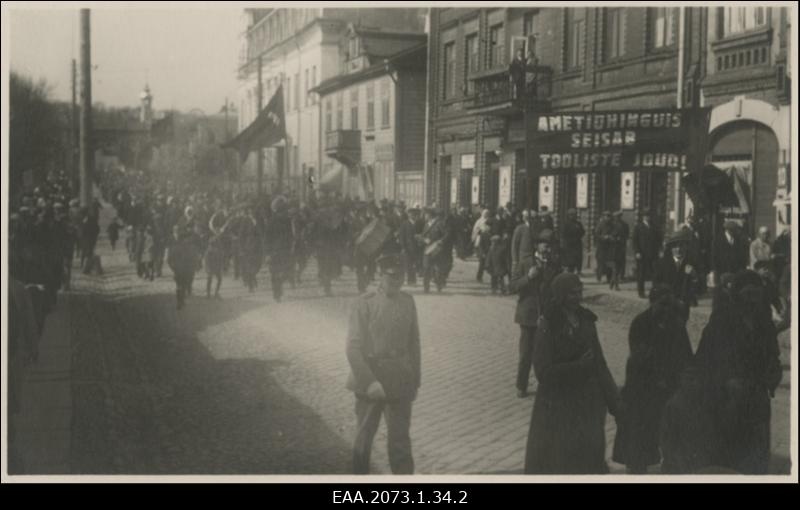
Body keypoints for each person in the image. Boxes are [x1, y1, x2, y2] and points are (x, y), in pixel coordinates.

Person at [524, 272, 622, 474]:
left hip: (586, 406)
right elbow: (543, 372)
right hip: (557, 408)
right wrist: (577, 366)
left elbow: (599, 364)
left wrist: (616, 403)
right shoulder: (548, 323)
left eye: (580, 292)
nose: (577, 298)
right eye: (571, 294)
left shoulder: (586, 320)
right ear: (560, 295)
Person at [693, 270, 782, 474]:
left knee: (756, 460)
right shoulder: (721, 321)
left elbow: (773, 357)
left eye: (757, 296)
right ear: (738, 295)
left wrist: (773, 375)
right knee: (729, 460)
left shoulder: (764, 322)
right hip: (727, 402)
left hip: (757, 401)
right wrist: (725, 382)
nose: (753, 302)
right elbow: (703, 361)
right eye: (748, 295)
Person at [346, 253, 421, 474]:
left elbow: (414, 343)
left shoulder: (408, 302)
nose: (397, 282)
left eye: (401, 277)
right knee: (364, 440)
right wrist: (370, 382)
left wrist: (415, 381)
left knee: (400, 442)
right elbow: (352, 348)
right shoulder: (364, 304)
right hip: (371, 377)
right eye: (392, 277)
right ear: (380, 275)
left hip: (399, 379)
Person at [612, 285, 693, 473]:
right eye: (662, 305)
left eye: (670, 305)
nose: (666, 310)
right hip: (643, 389)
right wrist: (659, 375)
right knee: (639, 438)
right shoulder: (640, 323)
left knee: (671, 438)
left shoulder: (676, 323)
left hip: (669, 389)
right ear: (652, 303)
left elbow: (686, 355)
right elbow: (640, 357)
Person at [509, 229, 562, 398]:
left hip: (547, 314)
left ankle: (546, 384)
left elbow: (558, 289)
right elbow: (513, 286)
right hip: (528, 314)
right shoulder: (526, 263)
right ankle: (521, 385)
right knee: (526, 354)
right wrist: (529, 277)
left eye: (551, 246)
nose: (548, 249)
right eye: (545, 245)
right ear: (537, 246)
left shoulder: (555, 265)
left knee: (547, 353)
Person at [652, 230, 700, 314]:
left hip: (683, 308)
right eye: (675, 246)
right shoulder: (662, 263)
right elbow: (656, 285)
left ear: (687, 246)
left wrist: (694, 276)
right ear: (670, 248)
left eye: (681, 245)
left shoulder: (692, 263)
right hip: (666, 307)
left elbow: (699, 288)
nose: (678, 249)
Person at [632, 212, 661, 298]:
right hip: (642, 254)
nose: (647, 217)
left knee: (655, 274)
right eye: (646, 216)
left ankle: (655, 292)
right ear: (643, 217)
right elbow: (635, 241)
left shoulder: (654, 227)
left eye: (649, 216)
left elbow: (658, 239)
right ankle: (641, 292)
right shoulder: (638, 227)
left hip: (653, 254)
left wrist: (659, 250)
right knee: (641, 274)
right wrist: (637, 252)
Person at [594, 211, 615, 283]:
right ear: (604, 216)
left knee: (609, 263)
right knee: (600, 263)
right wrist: (603, 237)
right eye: (606, 216)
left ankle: (609, 278)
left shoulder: (612, 225)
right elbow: (596, 235)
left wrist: (611, 237)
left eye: (609, 216)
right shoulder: (600, 224)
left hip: (609, 247)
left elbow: (615, 232)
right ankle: (599, 278)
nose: (608, 218)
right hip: (601, 247)